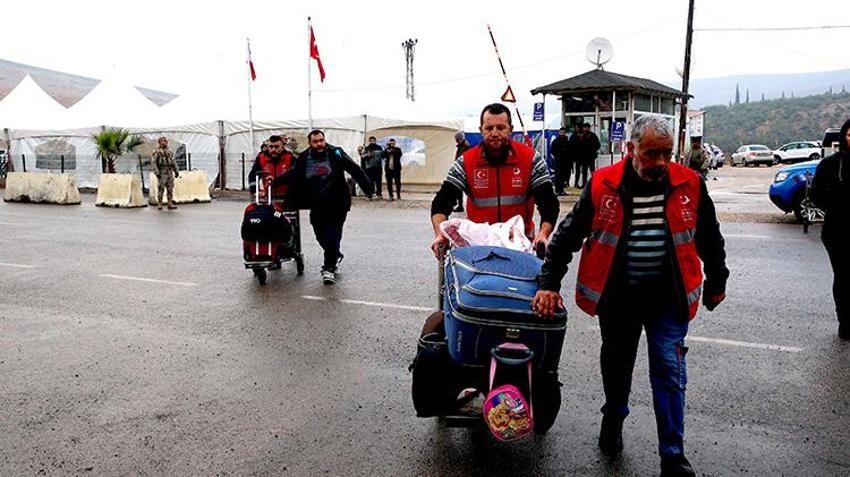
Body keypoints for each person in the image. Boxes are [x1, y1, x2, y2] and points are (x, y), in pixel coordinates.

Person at [532, 114, 729, 477]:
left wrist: (718, 280)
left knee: (669, 371)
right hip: (618, 299)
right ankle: (614, 415)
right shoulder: (603, 183)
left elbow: (709, 238)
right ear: (630, 148)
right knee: (617, 365)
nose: (659, 163)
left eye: (666, 154)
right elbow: (566, 238)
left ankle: (673, 455)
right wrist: (548, 282)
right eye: (651, 154)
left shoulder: (690, 183)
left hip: (668, 299)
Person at [430, 102, 560, 258]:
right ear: (481, 131)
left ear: (510, 129)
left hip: (520, 247)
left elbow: (549, 203)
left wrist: (543, 234)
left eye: (501, 128)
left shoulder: (531, 159)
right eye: (489, 128)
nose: (495, 133)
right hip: (479, 248)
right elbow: (441, 203)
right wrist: (440, 234)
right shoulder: (466, 162)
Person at [285, 130, 374, 285]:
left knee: (333, 235)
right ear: (310, 143)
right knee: (320, 234)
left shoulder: (336, 152)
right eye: (315, 141)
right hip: (316, 203)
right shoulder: (304, 157)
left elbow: (354, 169)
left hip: (338, 202)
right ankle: (335, 255)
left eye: (321, 140)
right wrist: (275, 181)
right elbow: (294, 175)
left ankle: (328, 268)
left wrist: (368, 189)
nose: (319, 144)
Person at [811, 118, 850, 340]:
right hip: (838, 230)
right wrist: (839, 204)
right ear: (843, 137)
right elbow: (816, 196)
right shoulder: (831, 165)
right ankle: (845, 322)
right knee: (844, 276)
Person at [248, 135, 295, 203]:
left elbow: (295, 175)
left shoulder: (290, 158)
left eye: (276, 147)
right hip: (268, 197)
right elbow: (253, 175)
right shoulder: (261, 158)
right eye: (271, 147)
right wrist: (255, 191)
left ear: (282, 147)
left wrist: (275, 182)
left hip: (287, 197)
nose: (273, 150)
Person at [151, 136, 180, 210]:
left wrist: (176, 171)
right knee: (161, 188)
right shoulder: (156, 152)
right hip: (162, 172)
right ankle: (160, 204)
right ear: (160, 142)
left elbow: (173, 162)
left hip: (169, 172)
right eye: (164, 141)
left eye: (166, 141)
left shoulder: (169, 152)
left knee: (170, 188)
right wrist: (157, 172)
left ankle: (170, 203)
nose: (166, 142)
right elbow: (153, 163)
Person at [575, 123, 601, 188]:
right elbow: (578, 145)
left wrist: (593, 151)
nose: (585, 129)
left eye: (587, 128)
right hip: (583, 157)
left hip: (591, 157)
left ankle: (594, 183)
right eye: (584, 128)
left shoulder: (593, 135)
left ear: (589, 128)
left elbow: (597, 145)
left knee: (592, 171)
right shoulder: (581, 136)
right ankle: (584, 184)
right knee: (584, 171)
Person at [453, 131, 471, 212]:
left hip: (464, 171)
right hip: (461, 170)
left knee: (467, 190)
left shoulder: (465, 147)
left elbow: (464, 159)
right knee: (459, 189)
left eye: (456, 139)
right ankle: (460, 205)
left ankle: (463, 205)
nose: (456, 141)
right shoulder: (461, 146)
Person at [550, 127, 571, 195]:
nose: (562, 133)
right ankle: (557, 190)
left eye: (563, 132)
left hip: (565, 162)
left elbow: (569, 150)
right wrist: (557, 156)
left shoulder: (567, 141)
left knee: (563, 176)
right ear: (559, 133)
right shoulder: (556, 141)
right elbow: (552, 150)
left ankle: (562, 190)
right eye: (561, 132)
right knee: (558, 176)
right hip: (558, 161)